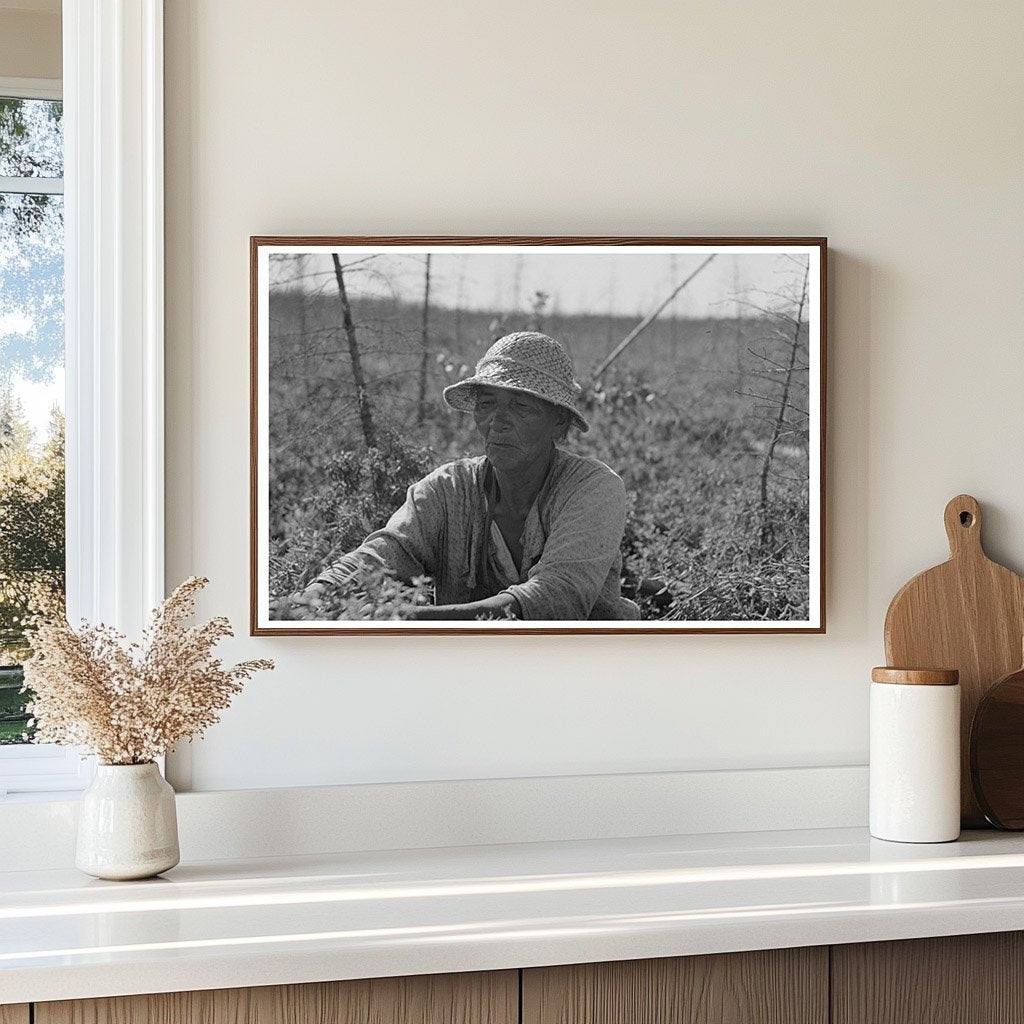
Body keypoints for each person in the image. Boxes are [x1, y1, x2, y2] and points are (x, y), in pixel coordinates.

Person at [297, 332, 640, 621]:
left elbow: (557, 597)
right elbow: (380, 556)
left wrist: (415, 619)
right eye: (487, 404)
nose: (498, 421)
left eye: (521, 406)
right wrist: (309, 601)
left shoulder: (593, 488)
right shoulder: (447, 490)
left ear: (559, 423)